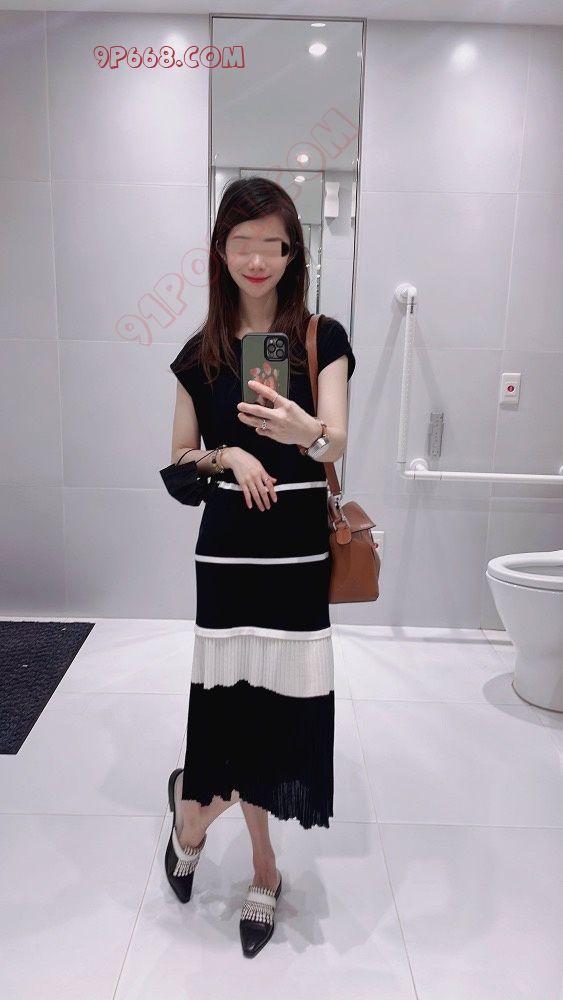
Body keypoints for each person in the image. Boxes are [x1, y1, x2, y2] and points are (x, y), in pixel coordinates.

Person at [165, 176, 356, 957]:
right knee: (235, 713)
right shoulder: (199, 355)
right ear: (220, 251)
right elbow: (177, 466)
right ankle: (264, 868)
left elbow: (337, 441)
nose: (255, 259)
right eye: (240, 243)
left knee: (281, 717)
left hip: (297, 561)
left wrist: (303, 429)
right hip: (226, 560)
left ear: (291, 253)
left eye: (270, 244)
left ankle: (191, 813)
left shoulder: (320, 337)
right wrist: (226, 454)